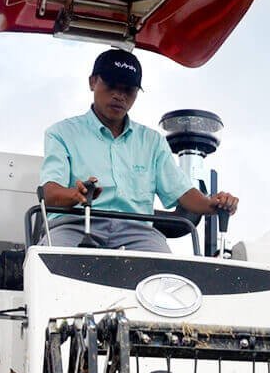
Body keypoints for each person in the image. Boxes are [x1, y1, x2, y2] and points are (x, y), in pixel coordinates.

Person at [37, 49, 239, 252]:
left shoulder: (152, 141)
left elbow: (182, 192)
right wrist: (75, 195)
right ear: (92, 82)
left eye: (129, 89)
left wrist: (213, 203)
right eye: (112, 85)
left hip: (137, 233)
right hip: (75, 225)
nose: (119, 95)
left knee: (171, 276)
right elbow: (50, 193)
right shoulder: (61, 133)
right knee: (53, 261)